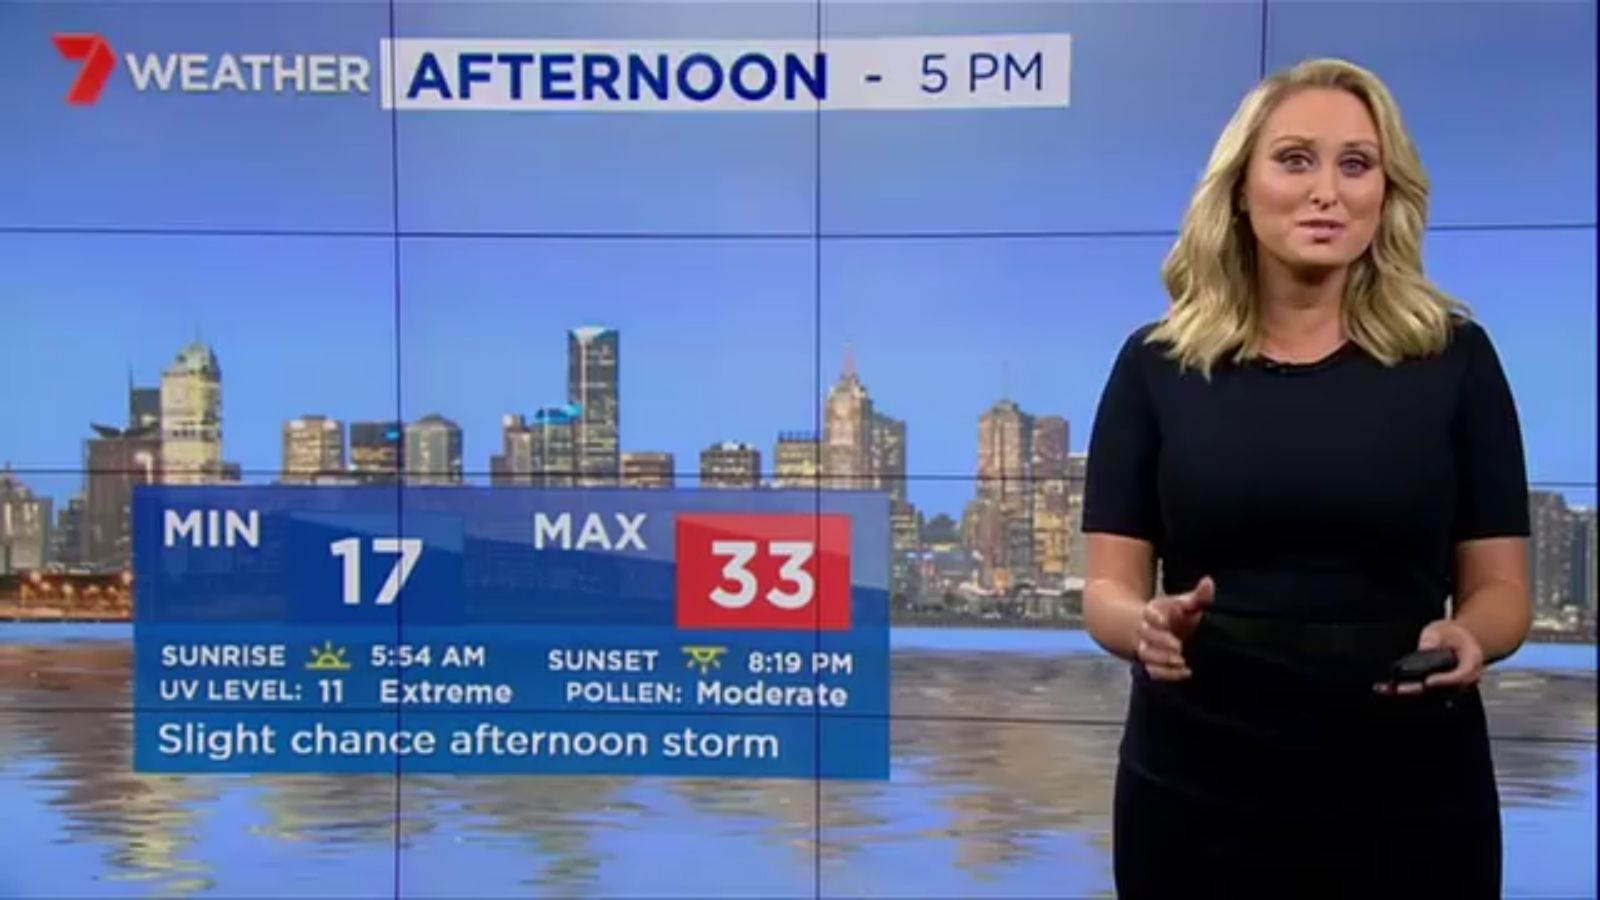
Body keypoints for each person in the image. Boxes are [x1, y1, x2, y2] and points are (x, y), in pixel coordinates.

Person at [1081, 57, 1533, 898]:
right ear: (1239, 189)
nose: (1327, 191)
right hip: (1195, 779)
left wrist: (1472, 635)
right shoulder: (1155, 367)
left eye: (1356, 164)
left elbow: (1502, 591)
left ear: (1387, 194)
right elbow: (1107, 588)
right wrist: (1143, 625)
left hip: (1411, 784)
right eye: (1296, 160)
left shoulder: (1457, 361)